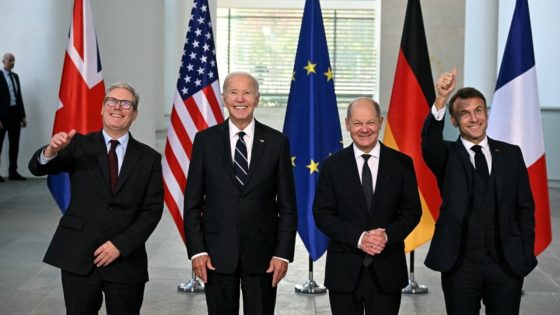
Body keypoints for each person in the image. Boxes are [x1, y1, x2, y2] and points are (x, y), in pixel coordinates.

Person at [28, 82, 163, 314]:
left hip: (125, 261)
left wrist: (120, 245)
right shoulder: (78, 145)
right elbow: (37, 168)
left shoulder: (148, 158)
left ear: (135, 114)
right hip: (79, 255)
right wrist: (50, 151)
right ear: (102, 108)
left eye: (126, 103)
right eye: (111, 101)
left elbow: (152, 211)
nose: (117, 107)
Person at [422, 69, 537, 314]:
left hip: (506, 266)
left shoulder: (511, 154)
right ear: (454, 121)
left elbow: (525, 207)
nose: (474, 118)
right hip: (460, 267)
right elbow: (429, 140)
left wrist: (523, 249)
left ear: (486, 113)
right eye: (465, 113)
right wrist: (441, 98)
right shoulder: (445, 155)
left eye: (478, 110)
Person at [183, 71, 298, 315]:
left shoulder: (278, 142)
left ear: (257, 99)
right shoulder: (205, 141)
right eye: (234, 92)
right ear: (224, 98)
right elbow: (192, 203)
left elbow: (287, 206)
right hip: (215, 255)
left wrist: (282, 254)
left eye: (247, 93)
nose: (240, 99)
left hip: (264, 257)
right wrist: (198, 250)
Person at [313, 97, 422, 315]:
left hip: (387, 271)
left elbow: (412, 211)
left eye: (370, 122)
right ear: (347, 124)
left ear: (380, 122)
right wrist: (360, 238)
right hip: (343, 272)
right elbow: (322, 214)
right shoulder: (332, 166)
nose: (364, 129)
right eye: (357, 123)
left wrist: (387, 235)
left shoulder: (402, 163)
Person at [0, 53, 27, 181]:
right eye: (10, 60)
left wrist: (23, 116)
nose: (12, 62)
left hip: (15, 115)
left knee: (14, 145)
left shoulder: (15, 76)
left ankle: (13, 172)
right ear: (3, 61)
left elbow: (19, 96)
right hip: (2, 116)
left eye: (13, 60)